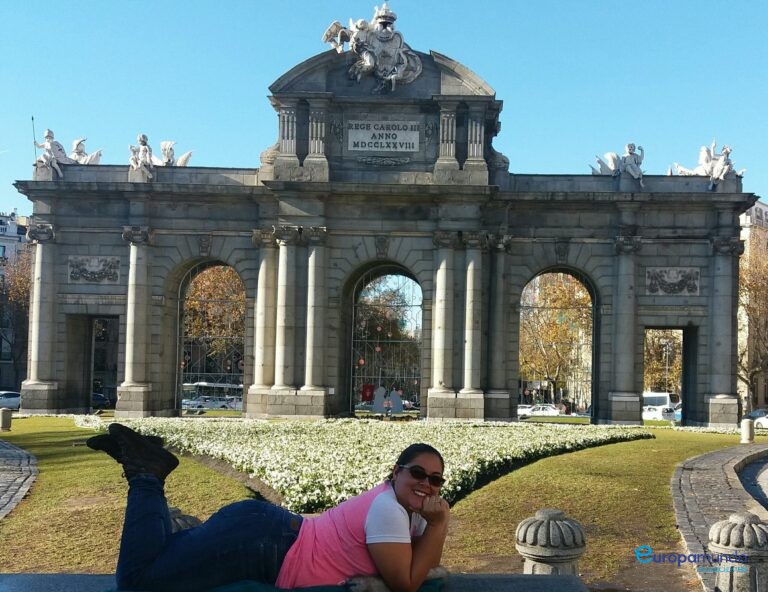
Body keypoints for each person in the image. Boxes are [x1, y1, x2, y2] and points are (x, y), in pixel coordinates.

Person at [88, 423, 450, 592]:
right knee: (137, 580)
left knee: (160, 562)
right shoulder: (388, 509)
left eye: (435, 480)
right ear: (395, 473)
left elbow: (422, 564)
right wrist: (439, 523)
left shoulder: (406, 511)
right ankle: (145, 474)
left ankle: (143, 461)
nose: (426, 484)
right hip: (262, 548)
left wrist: (431, 524)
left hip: (263, 534)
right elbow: (406, 584)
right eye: (418, 473)